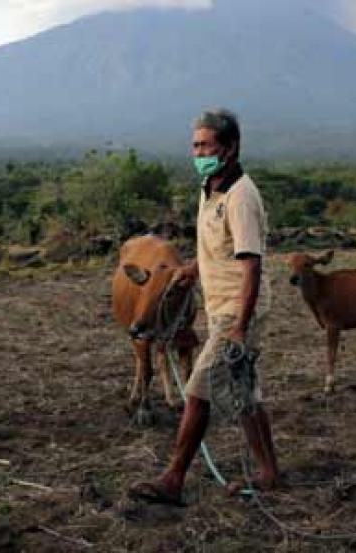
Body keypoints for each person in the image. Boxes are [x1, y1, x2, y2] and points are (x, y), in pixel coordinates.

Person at [128, 108, 279, 505]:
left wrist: (240, 326)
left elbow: (251, 265)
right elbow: (220, 248)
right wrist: (194, 268)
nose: (198, 152)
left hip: (237, 311)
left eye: (206, 145)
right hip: (220, 307)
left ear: (230, 148)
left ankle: (173, 478)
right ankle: (269, 471)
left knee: (198, 391)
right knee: (246, 393)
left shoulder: (241, 196)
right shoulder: (208, 187)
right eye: (195, 145)